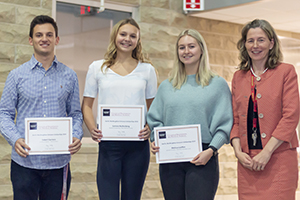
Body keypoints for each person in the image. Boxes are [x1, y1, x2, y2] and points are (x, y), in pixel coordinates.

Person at [0, 15, 83, 200]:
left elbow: (76, 114)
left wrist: (77, 134)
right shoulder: (16, 76)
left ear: (57, 39)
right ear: (31, 40)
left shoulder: (69, 76)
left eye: (49, 34)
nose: (44, 39)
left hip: (58, 164)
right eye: (38, 35)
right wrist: (15, 139)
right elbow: (3, 114)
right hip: (25, 163)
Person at [147, 29, 233, 200]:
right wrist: (154, 140)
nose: (186, 51)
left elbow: (225, 124)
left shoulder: (217, 84)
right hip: (170, 160)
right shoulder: (167, 86)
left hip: (203, 157)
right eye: (181, 47)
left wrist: (211, 150)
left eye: (191, 46)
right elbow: (154, 120)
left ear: (201, 49)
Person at [81, 18, 157, 200]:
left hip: (138, 146)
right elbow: (86, 105)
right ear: (115, 36)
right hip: (109, 145)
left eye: (133, 36)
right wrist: (92, 129)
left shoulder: (147, 70)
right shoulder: (97, 67)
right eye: (123, 34)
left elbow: (153, 108)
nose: (127, 39)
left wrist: (149, 126)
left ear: (138, 41)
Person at [230, 19, 299, 200]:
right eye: (250, 40)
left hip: (278, 159)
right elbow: (235, 119)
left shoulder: (286, 71)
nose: (255, 45)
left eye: (261, 40)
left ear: (271, 43)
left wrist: (267, 152)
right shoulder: (238, 77)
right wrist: (238, 152)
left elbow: (290, 116)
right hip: (248, 163)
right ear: (244, 44)